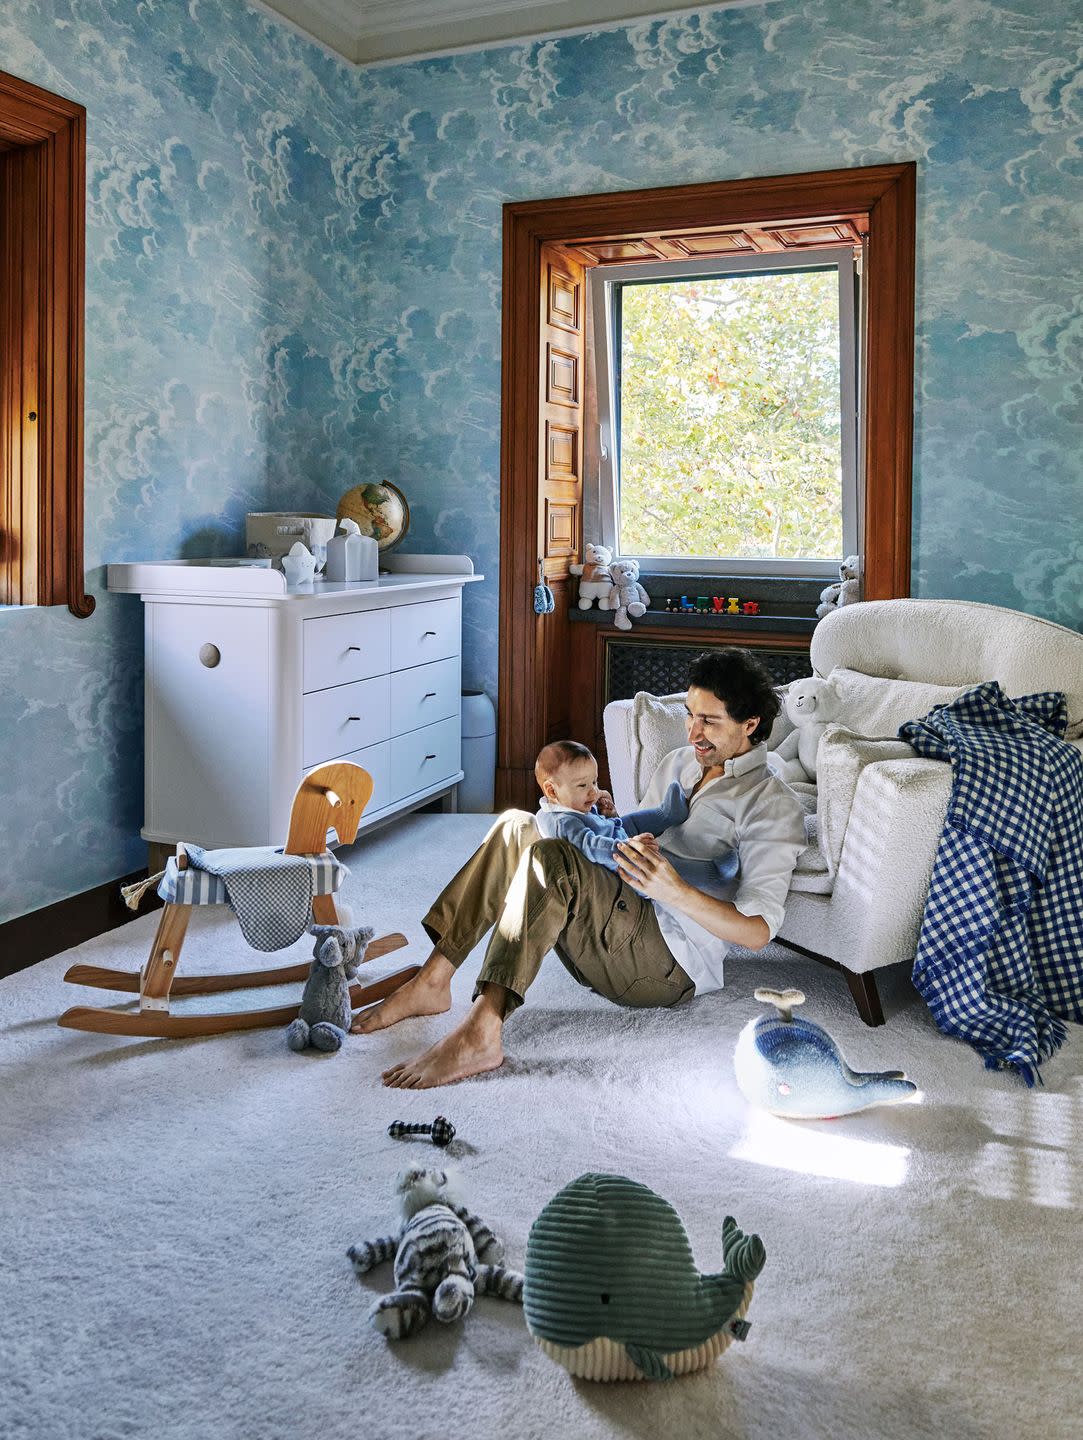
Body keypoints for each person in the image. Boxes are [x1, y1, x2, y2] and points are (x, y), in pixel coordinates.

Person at [352, 648, 808, 1090]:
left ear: (750, 724)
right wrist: (603, 818)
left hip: (666, 966)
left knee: (553, 861)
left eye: (710, 721)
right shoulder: (679, 763)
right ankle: (434, 980)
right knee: (517, 826)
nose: (692, 732)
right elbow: (621, 843)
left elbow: (756, 932)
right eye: (691, 714)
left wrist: (673, 889)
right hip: (617, 921)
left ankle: (481, 1032)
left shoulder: (772, 805)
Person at [533, 738, 693, 874]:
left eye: (594, 782)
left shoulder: (570, 804)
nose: (594, 791)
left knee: (630, 822)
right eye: (582, 785)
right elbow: (592, 847)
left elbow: (600, 824)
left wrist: (609, 815)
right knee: (657, 865)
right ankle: (682, 871)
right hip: (621, 865)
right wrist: (630, 848)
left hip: (617, 836)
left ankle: (666, 814)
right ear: (552, 790)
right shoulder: (562, 822)